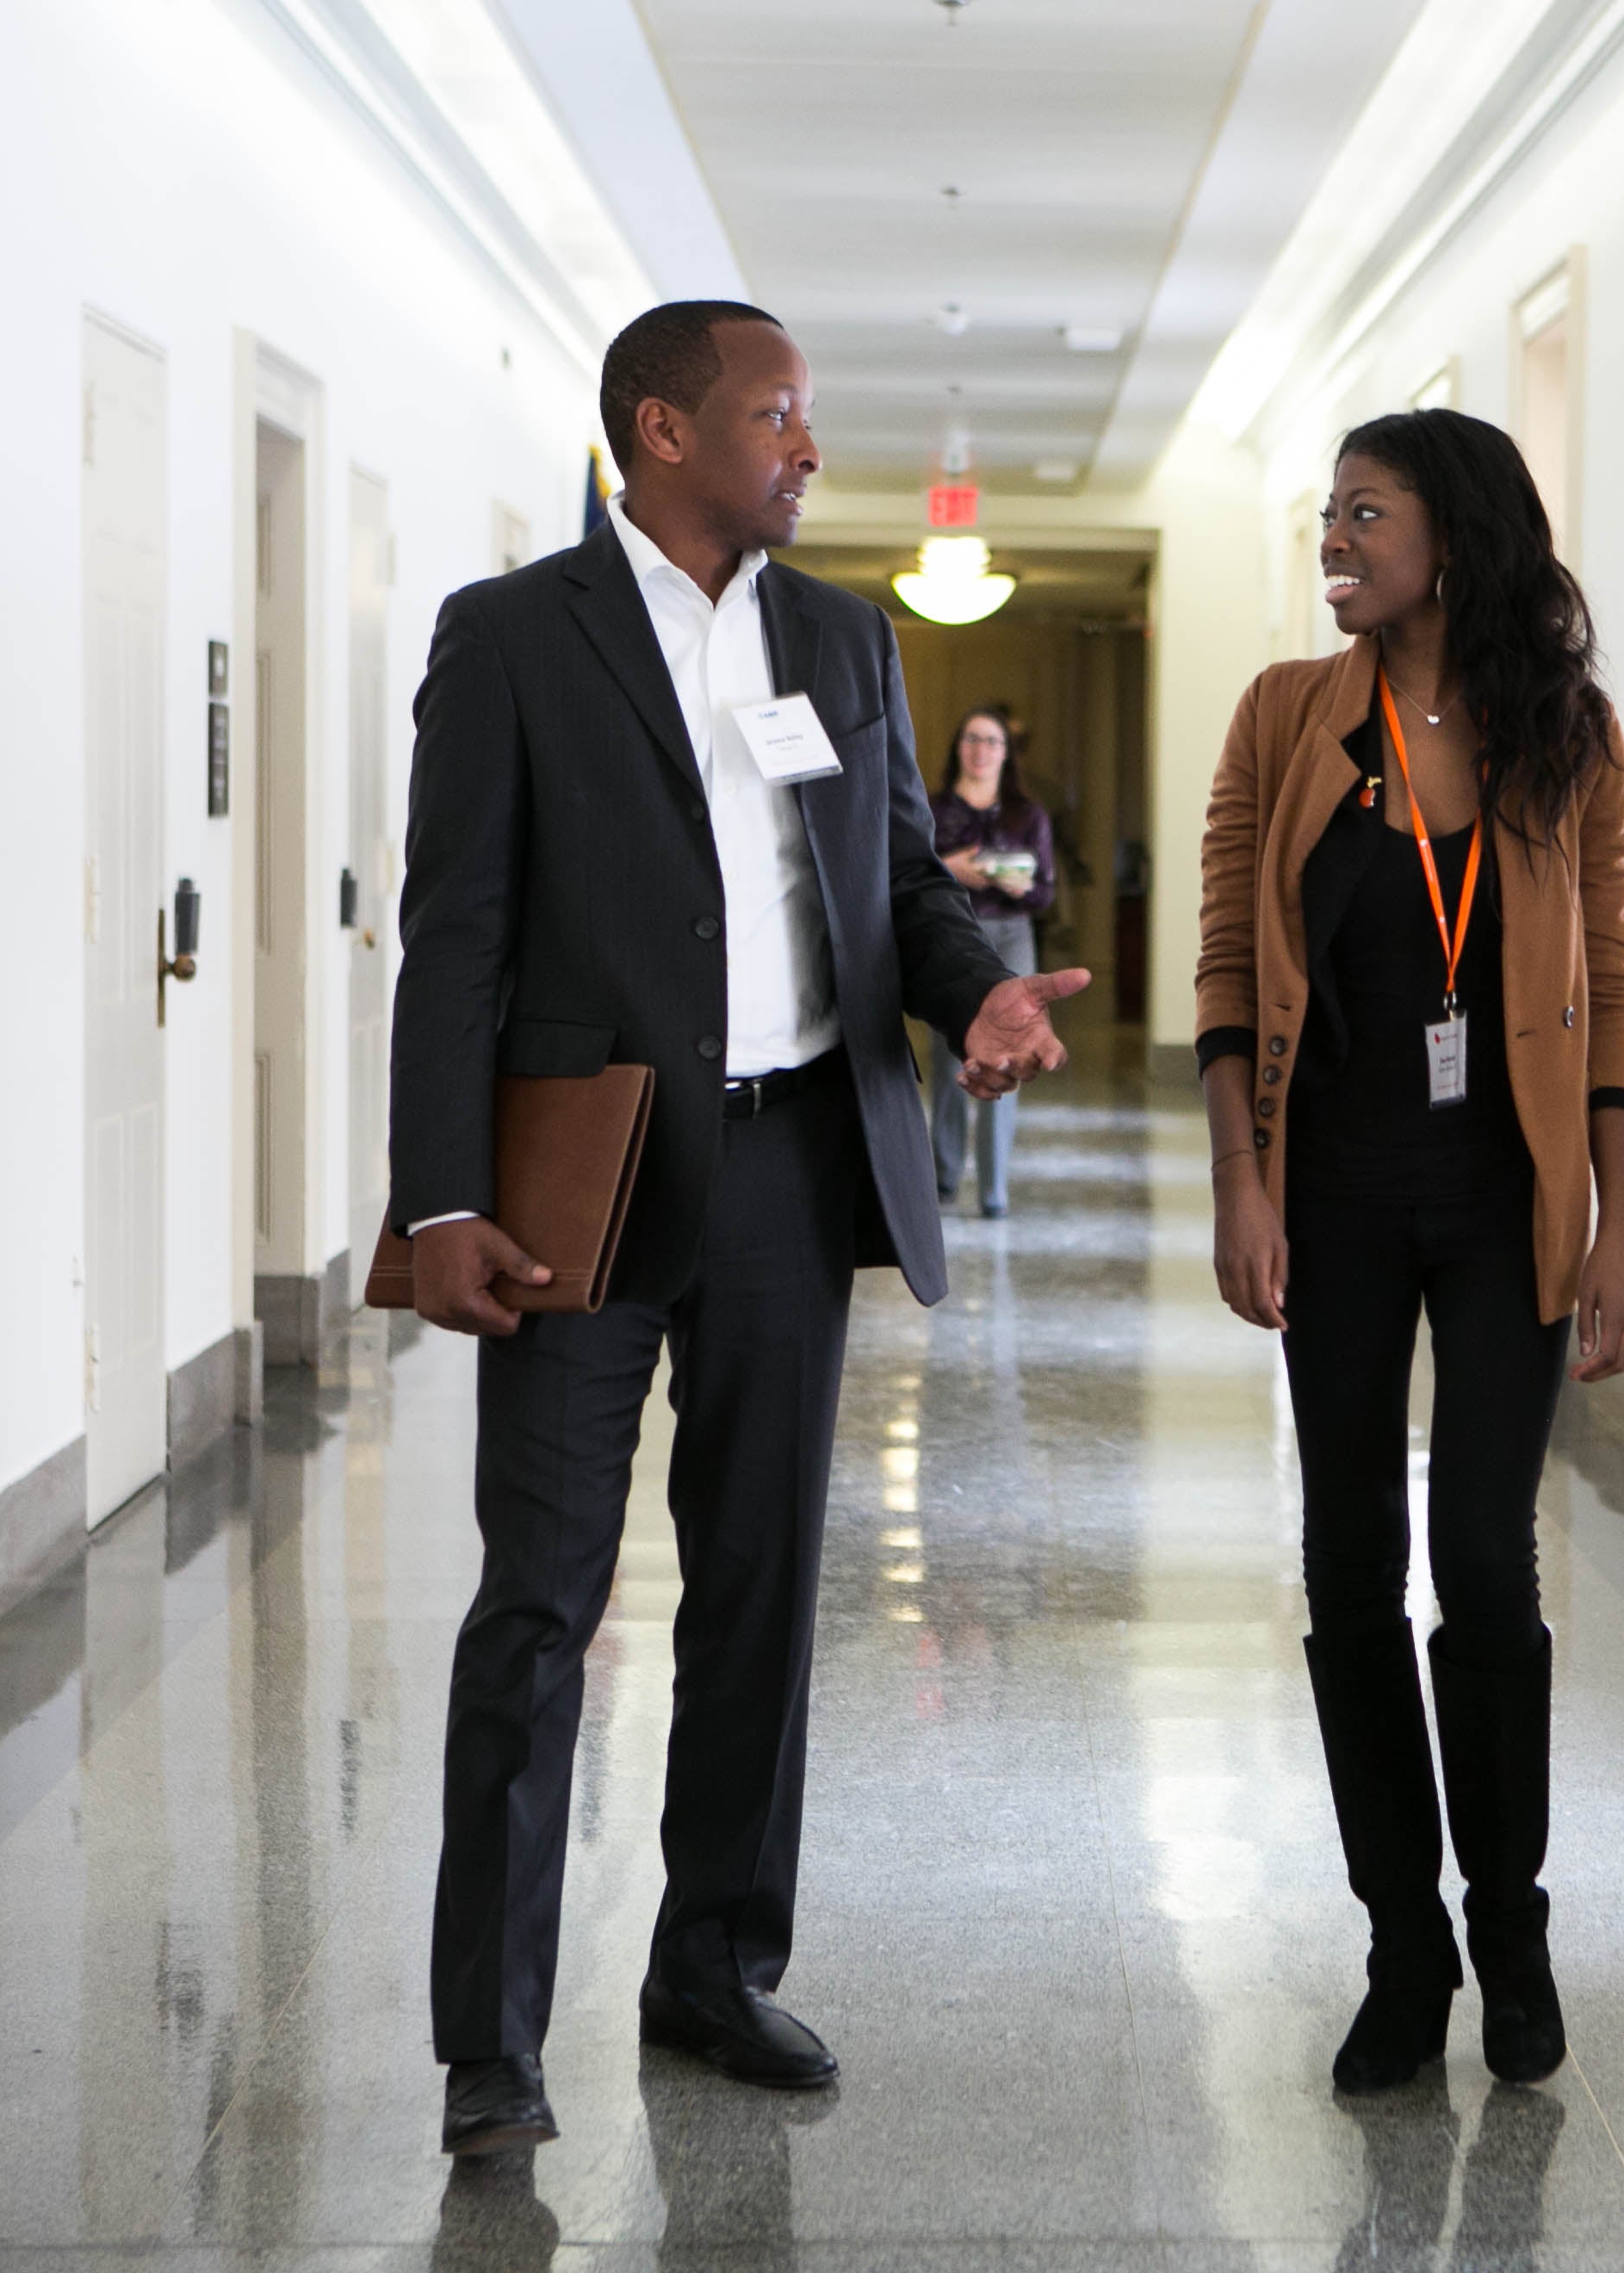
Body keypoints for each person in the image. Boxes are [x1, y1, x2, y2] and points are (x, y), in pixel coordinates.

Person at [388, 299, 1091, 2155]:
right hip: (586, 1181)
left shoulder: (845, 640)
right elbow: (454, 931)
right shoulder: (514, 637)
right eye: (778, 416)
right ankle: (492, 2041)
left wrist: (978, 1000)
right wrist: (440, 1198)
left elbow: (892, 896)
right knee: (540, 1606)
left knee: (766, 1589)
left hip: (795, 1170)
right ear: (663, 432)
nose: (808, 448)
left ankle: (711, 1967)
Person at [1194, 406, 1624, 2096]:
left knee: (1485, 1560)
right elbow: (1231, 974)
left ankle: (1512, 1929)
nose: (1334, 537)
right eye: (1328, 513)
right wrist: (1244, 1187)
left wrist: (1622, 1216)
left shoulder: (1566, 739)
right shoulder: (1288, 721)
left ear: (1449, 537)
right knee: (1347, 1564)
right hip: (1340, 1200)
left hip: (1508, 1199)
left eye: (1363, 514)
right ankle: (1405, 1949)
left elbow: (1610, 977)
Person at [926, 705, 1057, 1217]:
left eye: (992, 741)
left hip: (1012, 938)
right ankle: (943, 1176)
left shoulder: (1029, 814)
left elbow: (1045, 893)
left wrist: (1020, 886)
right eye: (972, 739)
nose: (981, 750)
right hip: (952, 938)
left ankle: (994, 1188)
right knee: (951, 1058)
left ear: (1007, 753)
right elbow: (904, 877)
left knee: (1009, 1056)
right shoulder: (931, 808)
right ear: (959, 746)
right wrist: (948, 868)